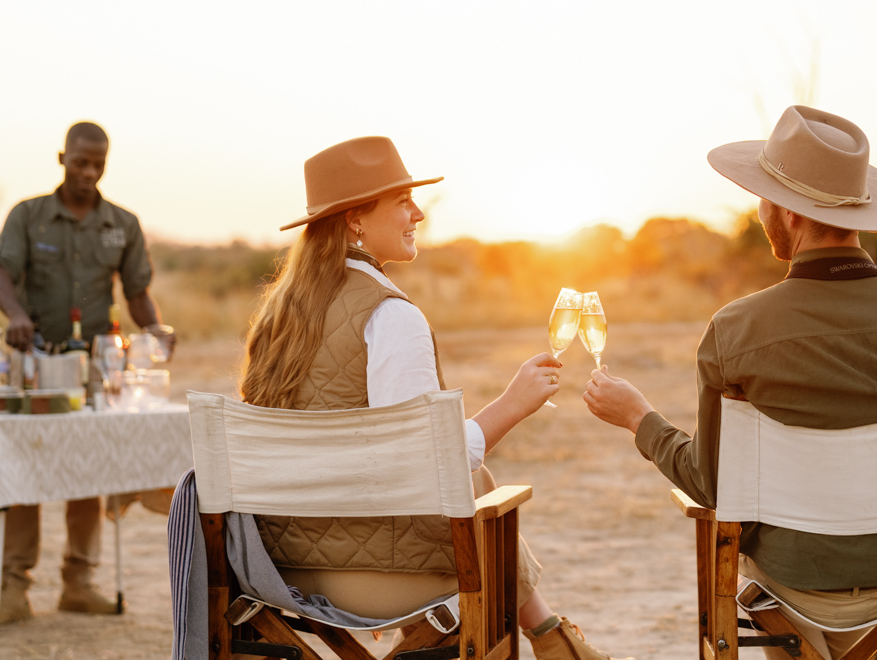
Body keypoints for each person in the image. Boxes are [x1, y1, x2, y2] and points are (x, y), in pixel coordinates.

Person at [583, 106, 877, 659]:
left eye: (763, 196)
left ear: (788, 213)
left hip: (789, 587)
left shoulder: (734, 330)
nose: (760, 208)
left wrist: (638, 419)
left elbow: (712, 487)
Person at [239, 136, 630, 660]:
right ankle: (551, 637)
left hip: (273, 564)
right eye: (403, 201)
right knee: (479, 500)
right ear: (355, 219)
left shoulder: (278, 315)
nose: (418, 214)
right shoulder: (390, 315)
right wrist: (512, 404)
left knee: (475, 482)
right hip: (370, 575)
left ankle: (549, 636)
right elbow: (426, 464)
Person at [0, 120, 175, 627]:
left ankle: (78, 583)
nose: (88, 172)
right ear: (62, 159)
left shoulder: (122, 224)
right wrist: (16, 314)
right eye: (80, 162)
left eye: (97, 164)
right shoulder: (29, 216)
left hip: (97, 365)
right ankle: (12, 588)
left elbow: (137, 291)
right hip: (36, 359)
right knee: (24, 464)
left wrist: (155, 328)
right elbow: (0, 275)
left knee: (89, 464)